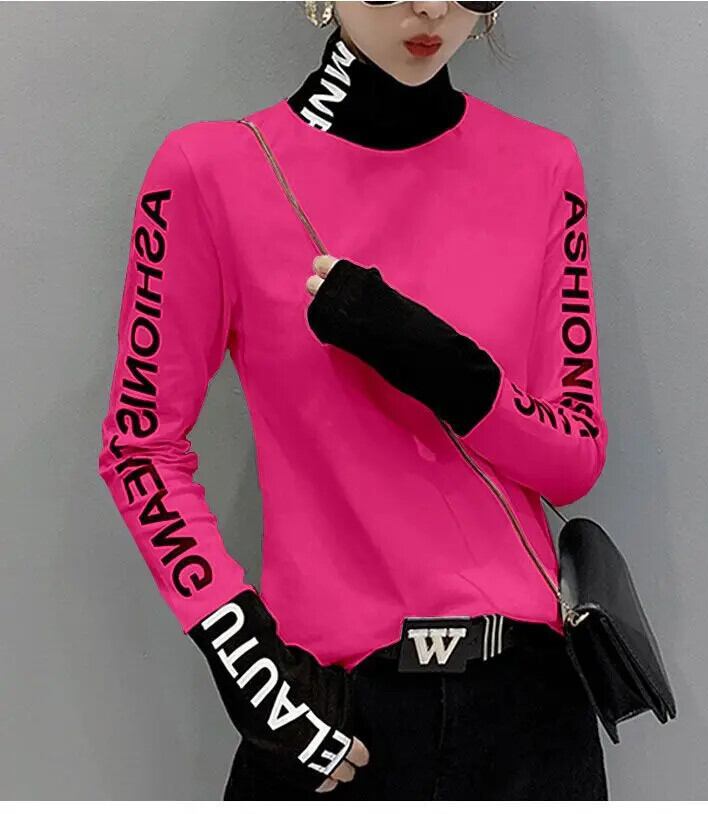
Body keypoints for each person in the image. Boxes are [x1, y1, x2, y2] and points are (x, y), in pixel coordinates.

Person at [97, 0, 609, 801]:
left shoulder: (545, 167)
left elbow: (574, 459)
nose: (430, 7)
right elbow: (140, 448)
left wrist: (433, 358)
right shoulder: (210, 171)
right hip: (333, 714)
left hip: (530, 712)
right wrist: (250, 665)